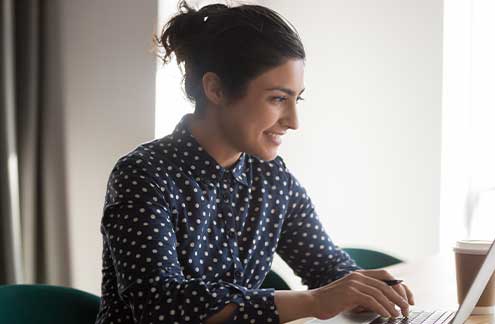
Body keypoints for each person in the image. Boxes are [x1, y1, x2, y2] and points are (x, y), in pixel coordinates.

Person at [94, 1, 414, 323]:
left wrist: (367, 289)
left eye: (296, 99)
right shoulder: (142, 175)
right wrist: (314, 301)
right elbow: (161, 304)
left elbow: (326, 267)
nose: (293, 121)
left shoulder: (271, 177)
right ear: (216, 89)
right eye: (278, 99)